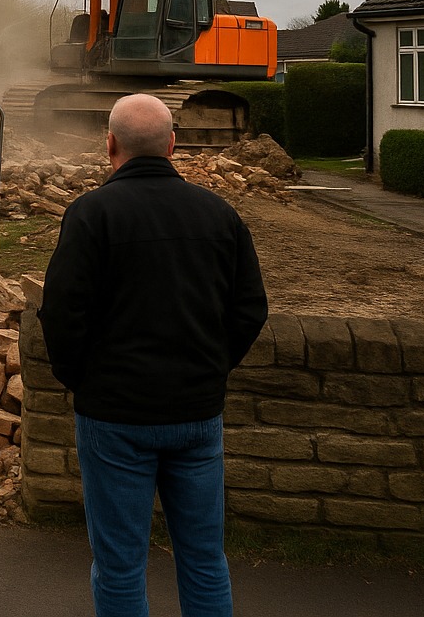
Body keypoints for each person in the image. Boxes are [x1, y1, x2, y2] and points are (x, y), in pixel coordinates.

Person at [39, 93, 268, 617]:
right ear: (172, 145)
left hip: (114, 417)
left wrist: (84, 382)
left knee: (120, 566)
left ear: (109, 144)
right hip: (196, 413)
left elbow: (62, 315)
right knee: (205, 559)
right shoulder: (218, 213)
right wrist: (212, 369)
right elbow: (250, 308)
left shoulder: (91, 214)